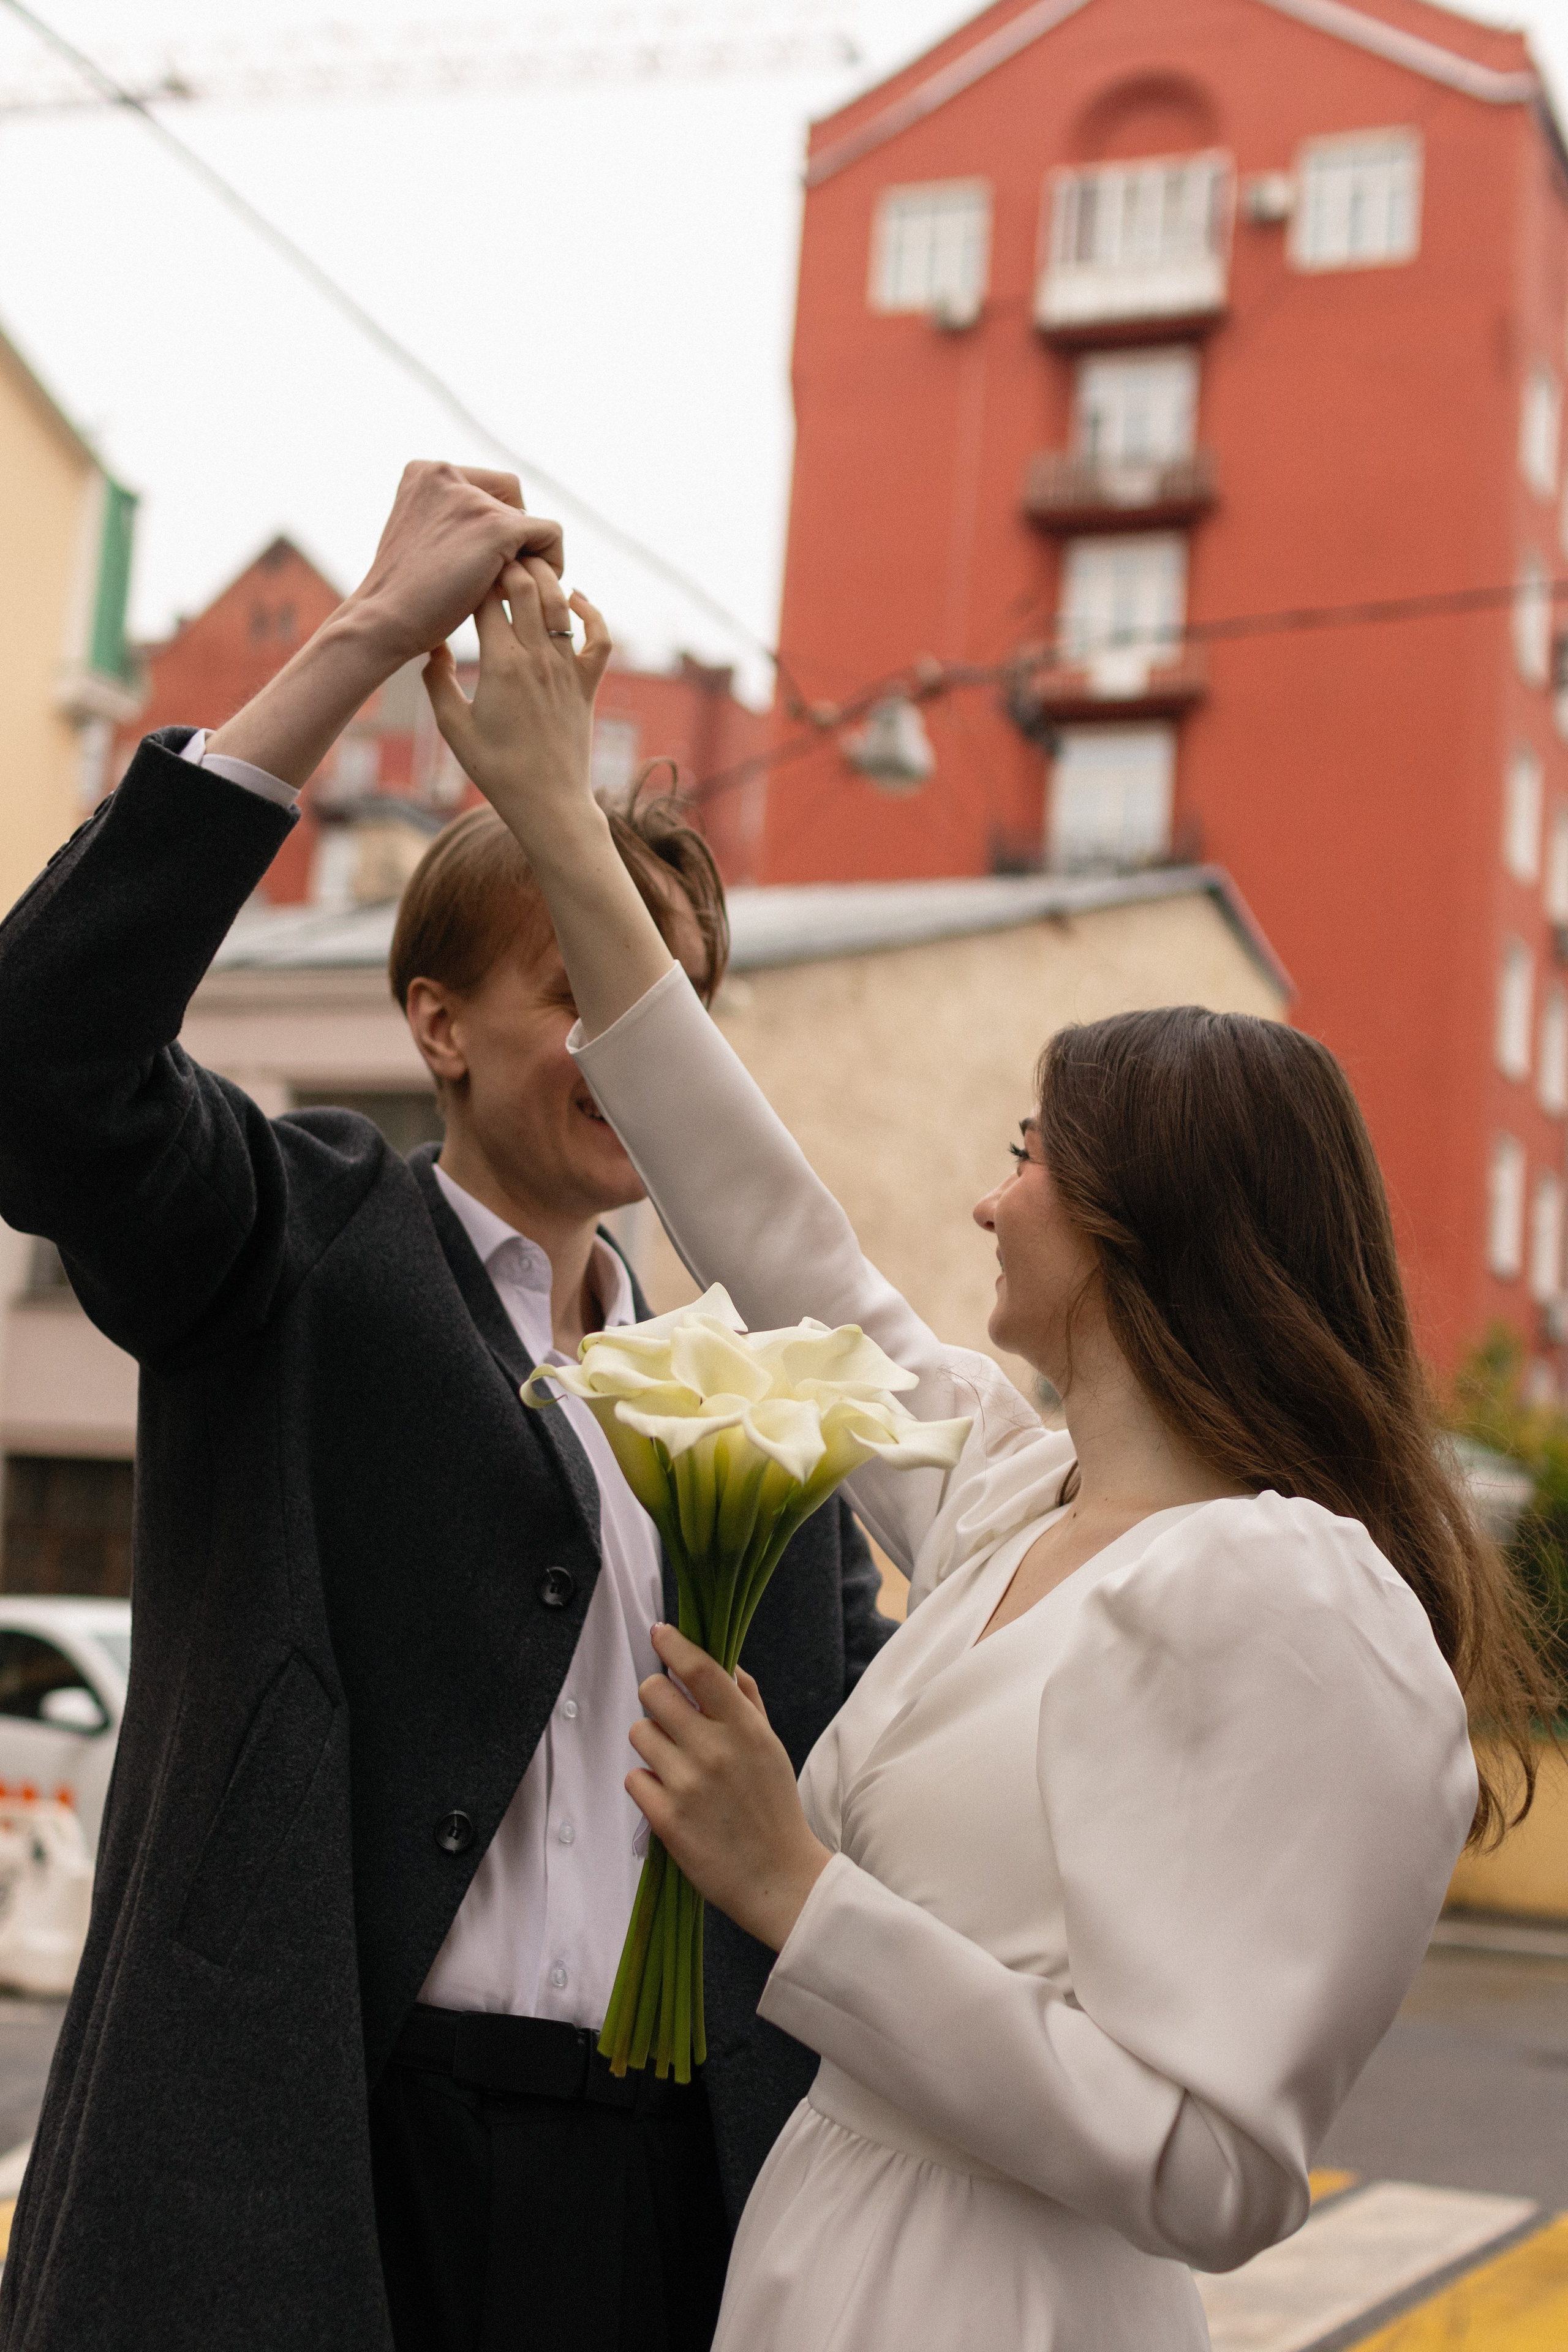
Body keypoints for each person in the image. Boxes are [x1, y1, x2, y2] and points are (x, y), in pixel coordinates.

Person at [419, 543, 1558, 2349]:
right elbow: (785, 1235)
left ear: (1133, 1221)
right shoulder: (1017, 1495)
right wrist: (558, 818)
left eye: (1028, 1152)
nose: (983, 1196)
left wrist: (799, 1892)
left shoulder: (1287, 1599)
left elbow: (1216, 2172)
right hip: (831, 2257)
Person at [0, 464, 892, 2352]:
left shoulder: (770, 1409)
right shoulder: (303, 1254)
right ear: (436, 1024)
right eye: (581, 987)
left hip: (683, 2196)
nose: (647, 1048)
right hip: (328, 2176)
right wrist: (367, 637)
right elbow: (44, 1063)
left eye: (680, 1003)